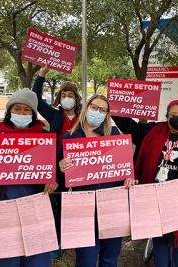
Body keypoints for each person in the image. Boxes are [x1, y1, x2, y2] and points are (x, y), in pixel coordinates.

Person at [113, 99, 178, 267]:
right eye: (174, 115)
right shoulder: (150, 131)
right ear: (167, 117)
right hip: (154, 199)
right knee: (160, 242)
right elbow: (127, 124)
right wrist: (118, 102)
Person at [0, 88, 58, 267]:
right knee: (7, 262)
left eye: (27, 110)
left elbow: (55, 170)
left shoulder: (45, 138)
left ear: (33, 114)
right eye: (17, 109)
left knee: (38, 260)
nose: (21, 113)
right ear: (9, 111)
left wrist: (54, 180)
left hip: (36, 210)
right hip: (3, 210)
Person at [58, 94, 123, 267]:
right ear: (86, 108)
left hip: (111, 203)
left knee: (110, 257)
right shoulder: (69, 138)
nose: (98, 112)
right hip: (82, 206)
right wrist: (62, 168)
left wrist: (129, 176)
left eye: (103, 110)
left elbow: (123, 167)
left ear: (107, 114)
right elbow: (61, 176)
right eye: (94, 107)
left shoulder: (114, 135)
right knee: (86, 258)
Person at [32, 66, 82, 259]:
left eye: (70, 94)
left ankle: (78, 236)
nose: (66, 98)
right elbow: (35, 98)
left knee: (80, 202)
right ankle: (56, 241)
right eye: (63, 95)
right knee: (56, 203)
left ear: (76, 98)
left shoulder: (84, 116)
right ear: (59, 98)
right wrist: (41, 75)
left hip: (81, 167)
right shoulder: (54, 115)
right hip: (57, 165)